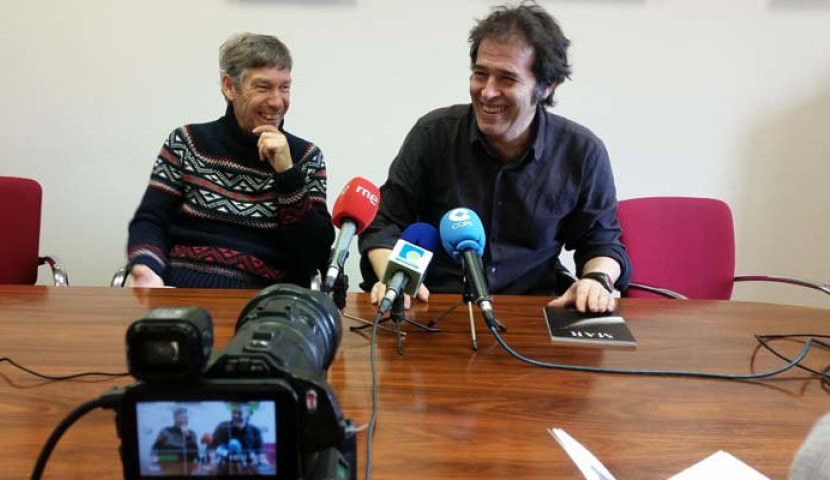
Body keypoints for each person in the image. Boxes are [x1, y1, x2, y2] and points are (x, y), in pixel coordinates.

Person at [358, 2, 630, 313]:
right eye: (480, 74)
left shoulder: (582, 152)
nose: (487, 92)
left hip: (532, 311)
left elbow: (601, 241)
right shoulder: (434, 134)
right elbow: (384, 222)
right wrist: (395, 280)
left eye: (506, 79)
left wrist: (597, 280)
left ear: (546, 86)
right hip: (434, 307)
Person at [126, 33, 333, 289]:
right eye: (263, 87)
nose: (276, 101)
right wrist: (148, 268)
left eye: (284, 87)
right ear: (229, 87)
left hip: (261, 306)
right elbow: (151, 219)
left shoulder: (306, 157)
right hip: (180, 292)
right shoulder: (187, 142)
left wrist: (287, 174)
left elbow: (315, 255)